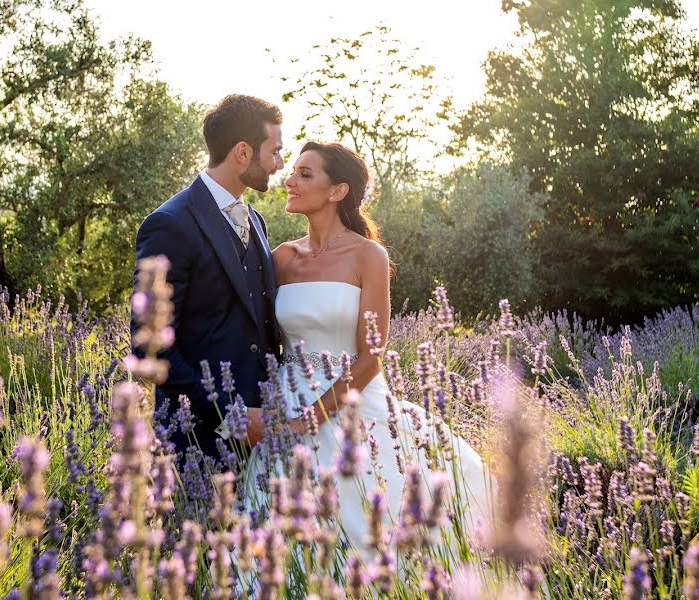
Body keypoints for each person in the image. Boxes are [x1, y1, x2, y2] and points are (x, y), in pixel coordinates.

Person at [244, 142, 493, 565]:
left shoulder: (368, 256)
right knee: (276, 534)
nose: (290, 180)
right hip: (285, 400)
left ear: (337, 190)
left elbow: (371, 357)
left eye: (306, 174)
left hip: (352, 404)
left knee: (372, 522)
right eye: (294, 171)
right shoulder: (281, 257)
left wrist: (306, 420)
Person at [132, 94, 283, 461]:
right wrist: (232, 416)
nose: (280, 164)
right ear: (243, 153)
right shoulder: (170, 224)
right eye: (275, 151)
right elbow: (150, 345)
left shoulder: (257, 222)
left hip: (264, 438)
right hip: (195, 442)